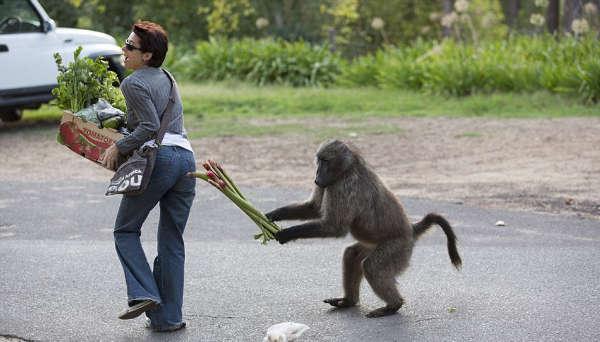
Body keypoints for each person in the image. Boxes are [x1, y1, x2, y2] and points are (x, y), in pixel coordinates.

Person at [100, 21, 195, 333]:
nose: (123, 50)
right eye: (125, 43)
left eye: (130, 47)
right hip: (186, 160)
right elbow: (154, 122)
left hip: (161, 160)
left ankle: (143, 293)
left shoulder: (132, 83)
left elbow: (149, 128)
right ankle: (168, 319)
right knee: (171, 240)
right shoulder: (168, 78)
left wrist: (119, 145)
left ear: (149, 56)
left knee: (125, 231)